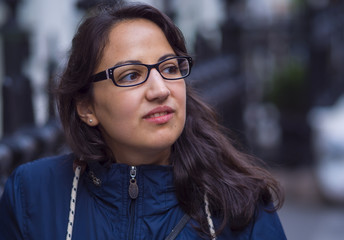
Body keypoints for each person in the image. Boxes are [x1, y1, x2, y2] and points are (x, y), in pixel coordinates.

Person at [0, 2, 286, 239]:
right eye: (131, 75)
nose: (160, 90)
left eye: (170, 68)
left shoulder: (239, 205)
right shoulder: (32, 196)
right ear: (87, 107)